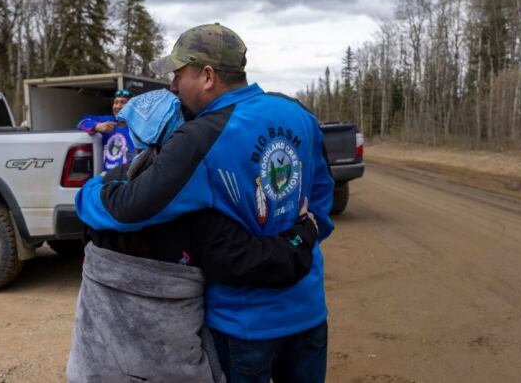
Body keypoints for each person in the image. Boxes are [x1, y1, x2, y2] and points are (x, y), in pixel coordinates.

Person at [75, 23, 334, 382]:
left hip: (242, 326)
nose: (172, 85)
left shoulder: (201, 137)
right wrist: (298, 239)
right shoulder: (298, 115)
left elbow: (130, 210)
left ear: (207, 76)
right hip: (307, 310)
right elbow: (322, 201)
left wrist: (86, 194)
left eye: (179, 74)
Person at [76, 89, 135, 170]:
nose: (118, 106)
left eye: (123, 102)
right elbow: (81, 123)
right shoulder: (107, 120)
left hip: (128, 178)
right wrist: (97, 126)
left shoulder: (137, 128)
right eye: (116, 102)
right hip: (105, 177)